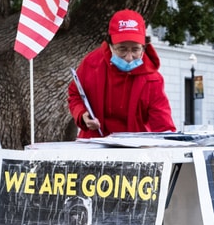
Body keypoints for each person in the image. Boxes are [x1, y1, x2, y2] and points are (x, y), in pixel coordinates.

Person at [68, 9, 176, 138]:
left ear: (144, 47)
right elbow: (75, 94)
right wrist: (82, 114)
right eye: (122, 49)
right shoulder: (91, 63)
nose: (129, 57)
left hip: (136, 147)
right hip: (93, 144)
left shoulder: (153, 79)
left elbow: (163, 124)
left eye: (135, 49)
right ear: (109, 46)